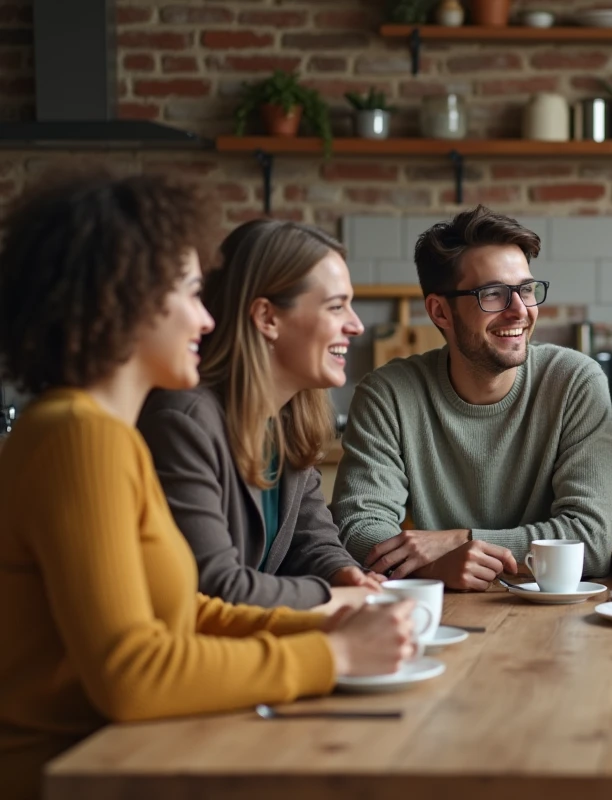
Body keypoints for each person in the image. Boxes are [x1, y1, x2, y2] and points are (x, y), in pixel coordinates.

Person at [0, 172, 417, 800]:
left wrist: (334, 623)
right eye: (193, 294)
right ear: (127, 300)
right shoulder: (80, 438)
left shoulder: (105, 434)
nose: (206, 317)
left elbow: (186, 611)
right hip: (72, 771)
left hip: (129, 752)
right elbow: (133, 673)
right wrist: (335, 656)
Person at [332, 206, 612, 591]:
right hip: (436, 608)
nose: (520, 311)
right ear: (440, 312)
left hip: (555, 609)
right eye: (493, 294)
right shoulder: (388, 395)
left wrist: (460, 541)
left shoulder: (574, 382)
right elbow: (357, 529)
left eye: (526, 290)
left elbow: (592, 542)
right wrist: (437, 567)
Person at [138, 219, 377, 611]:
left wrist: (345, 574)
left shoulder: (289, 417)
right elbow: (216, 586)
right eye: (336, 307)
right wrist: (337, 597)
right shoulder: (183, 421)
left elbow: (312, 543)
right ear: (267, 317)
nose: (357, 325)